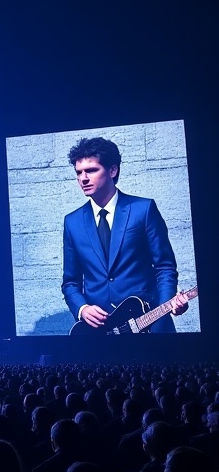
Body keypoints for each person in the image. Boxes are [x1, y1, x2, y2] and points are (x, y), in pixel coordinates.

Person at [62, 136, 188, 333]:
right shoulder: (72, 222)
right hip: (101, 334)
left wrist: (164, 309)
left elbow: (165, 267)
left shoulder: (143, 209)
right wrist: (82, 308)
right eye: (79, 172)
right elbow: (71, 282)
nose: (83, 178)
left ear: (113, 170)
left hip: (150, 325)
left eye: (91, 170)